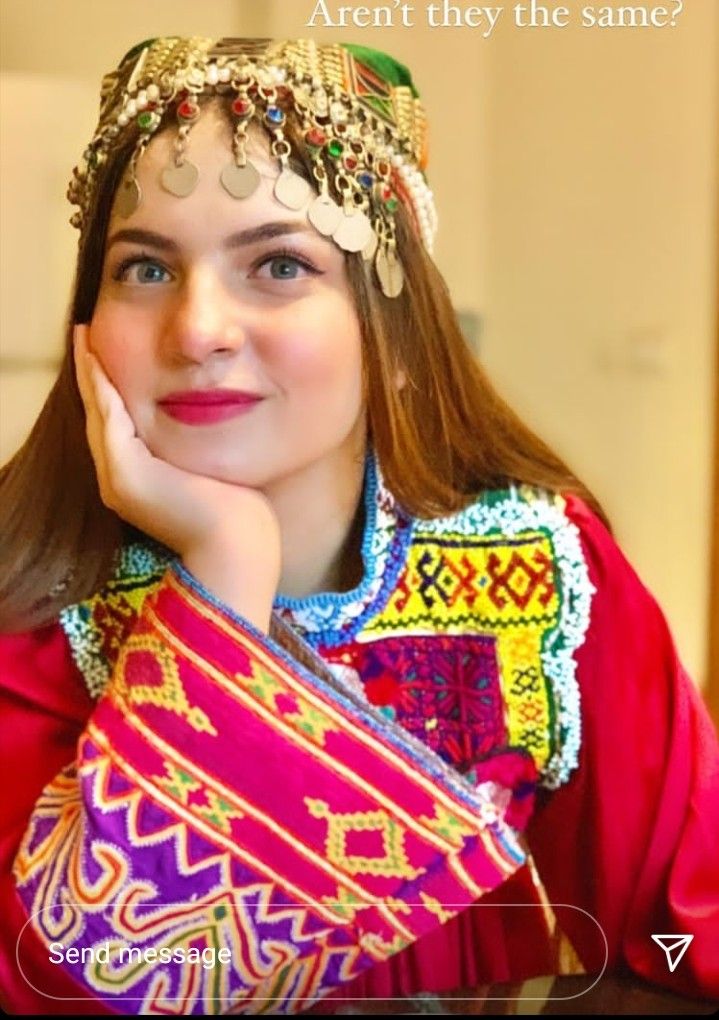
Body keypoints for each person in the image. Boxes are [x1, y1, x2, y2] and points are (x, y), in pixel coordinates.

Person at [0, 36, 717, 1015]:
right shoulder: (33, 609)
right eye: (146, 270)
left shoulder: (537, 571)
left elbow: (683, 932)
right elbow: (68, 982)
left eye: (279, 265)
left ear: (399, 337)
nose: (198, 327)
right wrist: (224, 574)